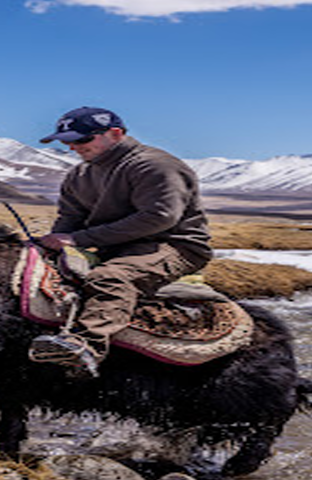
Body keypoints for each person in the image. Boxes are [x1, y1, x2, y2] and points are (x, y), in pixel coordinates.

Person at [28, 106, 212, 377]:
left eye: (81, 140)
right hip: (115, 246)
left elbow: (159, 217)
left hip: (173, 246)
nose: (73, 148)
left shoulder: (156, 165)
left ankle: (86, 346)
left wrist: (78, 239)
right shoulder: (79, 176)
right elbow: (70, 218)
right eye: (67, 142)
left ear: (115, 134)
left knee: (110, 277)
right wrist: (49, 245)